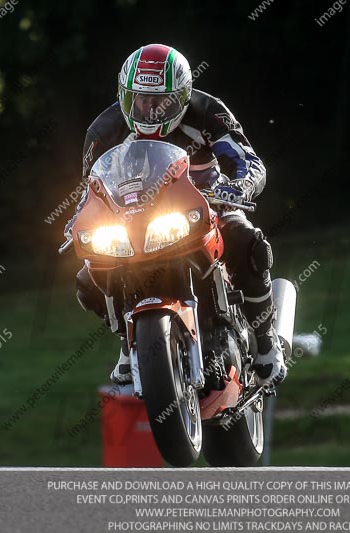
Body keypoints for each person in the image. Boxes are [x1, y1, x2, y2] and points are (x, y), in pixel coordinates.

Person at [66, 43, 286, 387]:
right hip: (133, 219)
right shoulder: (103, 132)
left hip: (207, 204)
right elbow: (90, 189)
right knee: (88, 275)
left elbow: (248, 161)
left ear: (183, 95)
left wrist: (241, 185)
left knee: (247, 243)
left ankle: (265, 341)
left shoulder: (209, 112)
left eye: (161, 101)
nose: (150, 110)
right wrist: (80, 219)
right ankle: (128, 342)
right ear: (125, 96)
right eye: (140, 100)